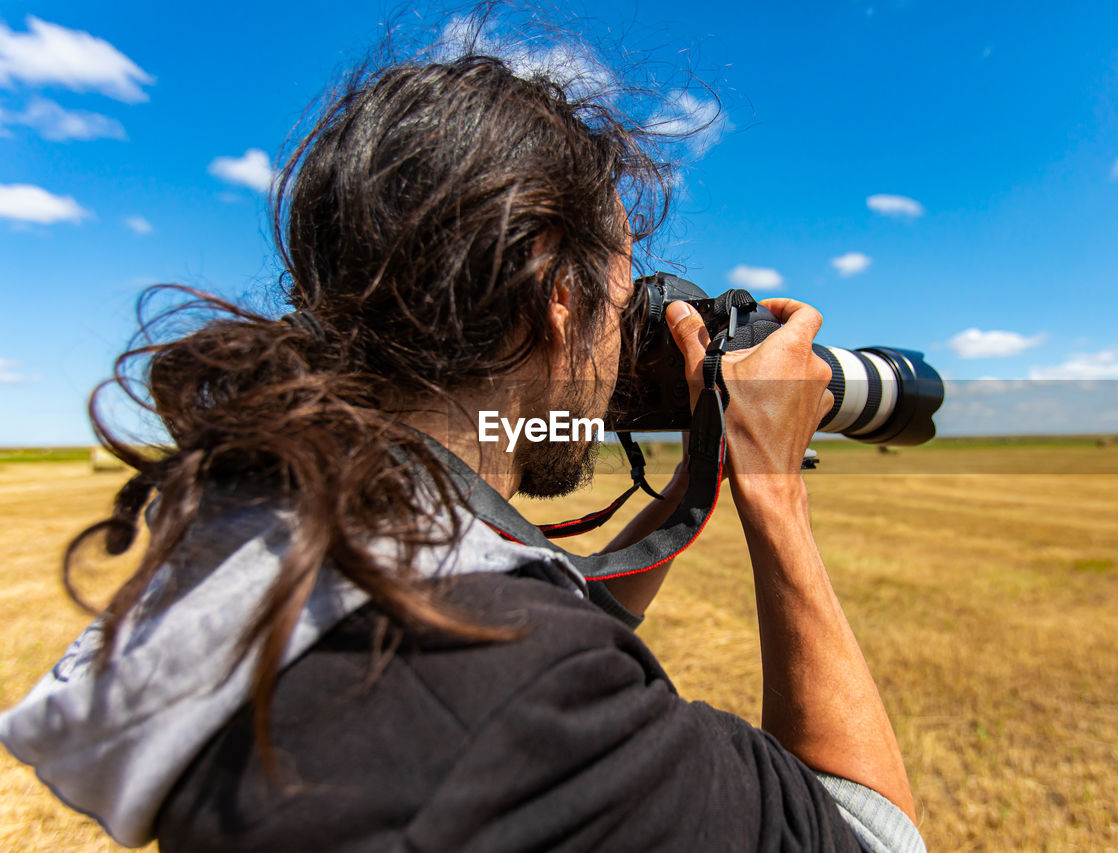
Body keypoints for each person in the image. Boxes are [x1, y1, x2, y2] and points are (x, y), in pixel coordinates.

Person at [0, 44, 926, 853]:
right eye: (623, 293)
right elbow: (871, 835)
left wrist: (700, 469)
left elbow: (492, 589)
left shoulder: (264, 539)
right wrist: (773, 488)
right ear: (557, 294)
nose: (619, 356)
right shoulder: (515, 702)